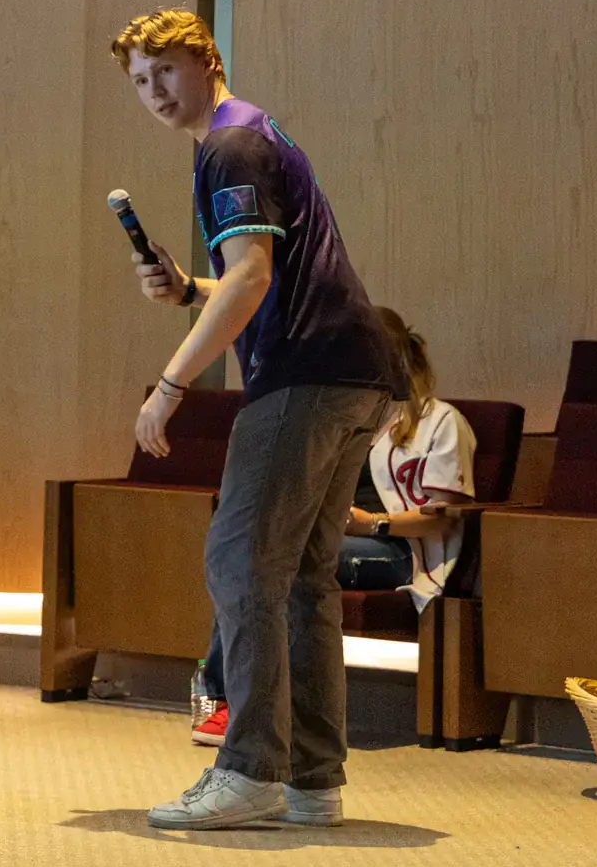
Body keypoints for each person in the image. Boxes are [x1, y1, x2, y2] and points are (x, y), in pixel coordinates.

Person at [111, 9, 404, 831]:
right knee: (302, 575)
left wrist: (169, 385)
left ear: (208, 61)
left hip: (308, 376)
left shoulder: (230, 147)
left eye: (166, 68)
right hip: (357, 371)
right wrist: (186, 292)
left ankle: (249, 770)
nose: (155, 90)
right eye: (140, 79)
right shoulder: (251, 135)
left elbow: (249, 282)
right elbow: (254, 281)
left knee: (241, 562)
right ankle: (313, 777)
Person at [190, 307, 474, 749]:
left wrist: (374, 522)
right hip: (337, 535)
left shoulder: (441, 423)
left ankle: (230, 700)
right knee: (250, 555)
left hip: (400, 551)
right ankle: (237, 699)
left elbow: (447, 517)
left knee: (276, 561)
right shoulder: (343, 415)